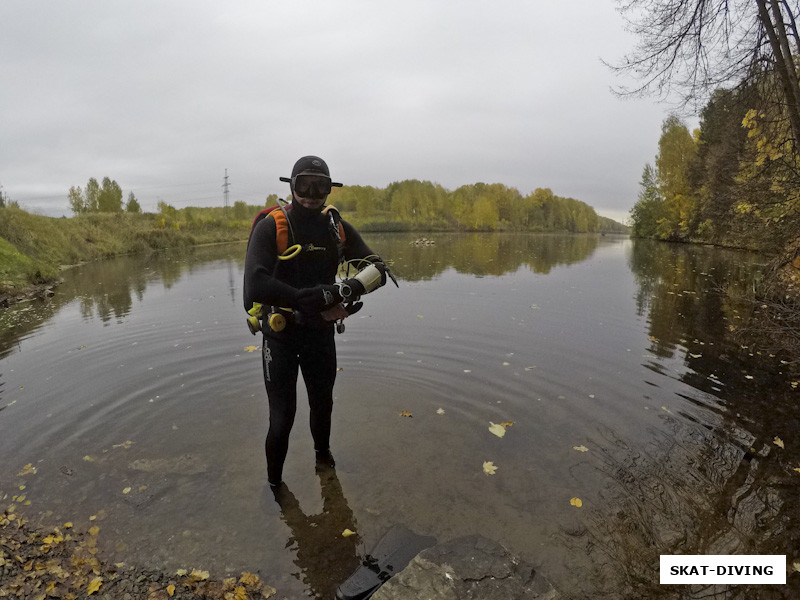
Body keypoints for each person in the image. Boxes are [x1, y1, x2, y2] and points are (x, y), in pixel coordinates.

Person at [244, 155, 390, 488]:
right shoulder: (273, 226)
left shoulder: (335, 228)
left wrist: (344, 289)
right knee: (282, 418)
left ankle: (324, 464)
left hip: (320, 335)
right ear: (291, 186)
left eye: (320, 186)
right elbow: (255, 284)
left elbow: (379, 270)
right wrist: (303, 297)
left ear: (329, 190)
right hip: (280, 335)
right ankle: (275, 488)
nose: (311, 193)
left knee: (323, 404)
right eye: (303, 185)